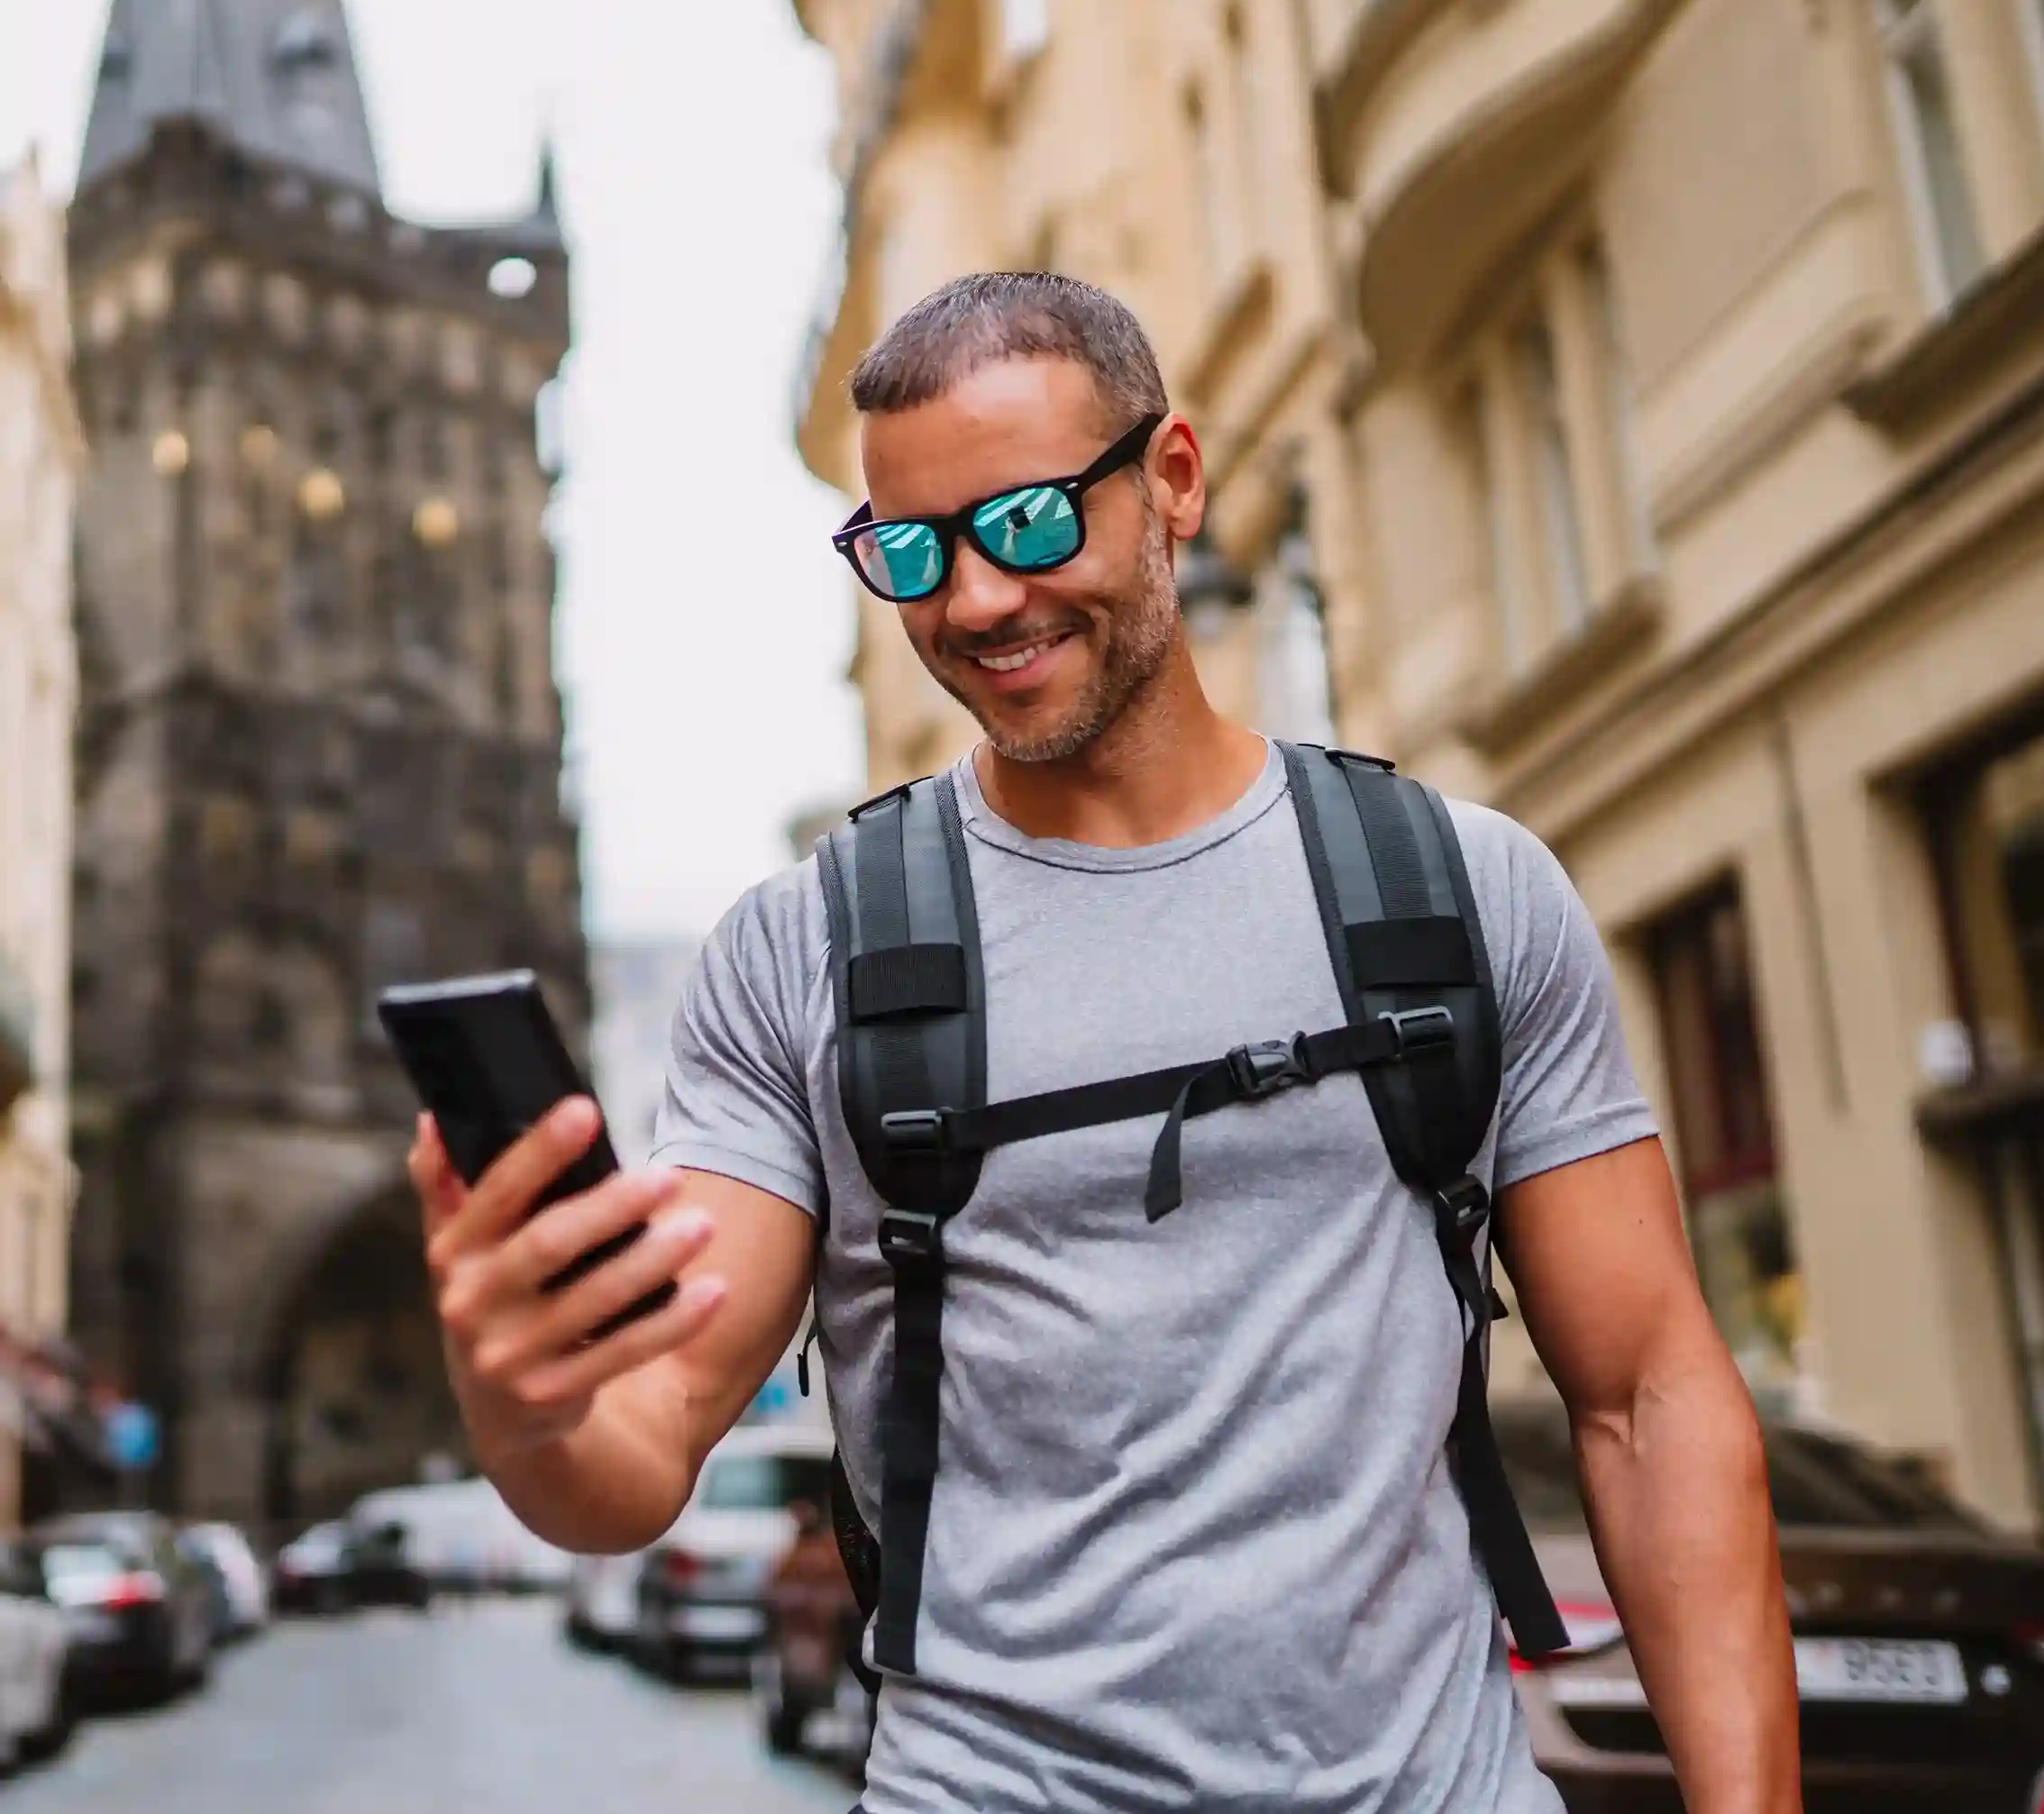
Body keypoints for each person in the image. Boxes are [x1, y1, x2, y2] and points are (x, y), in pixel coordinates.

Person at [411, 273, 1801, 1812]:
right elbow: (643, 1441)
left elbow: (1647, 1399)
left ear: (1175, 480)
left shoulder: (1458, 892)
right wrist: (523, 1396)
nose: (977, 603)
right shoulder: (803, 954)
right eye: (913, 552)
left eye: (1026, 523)